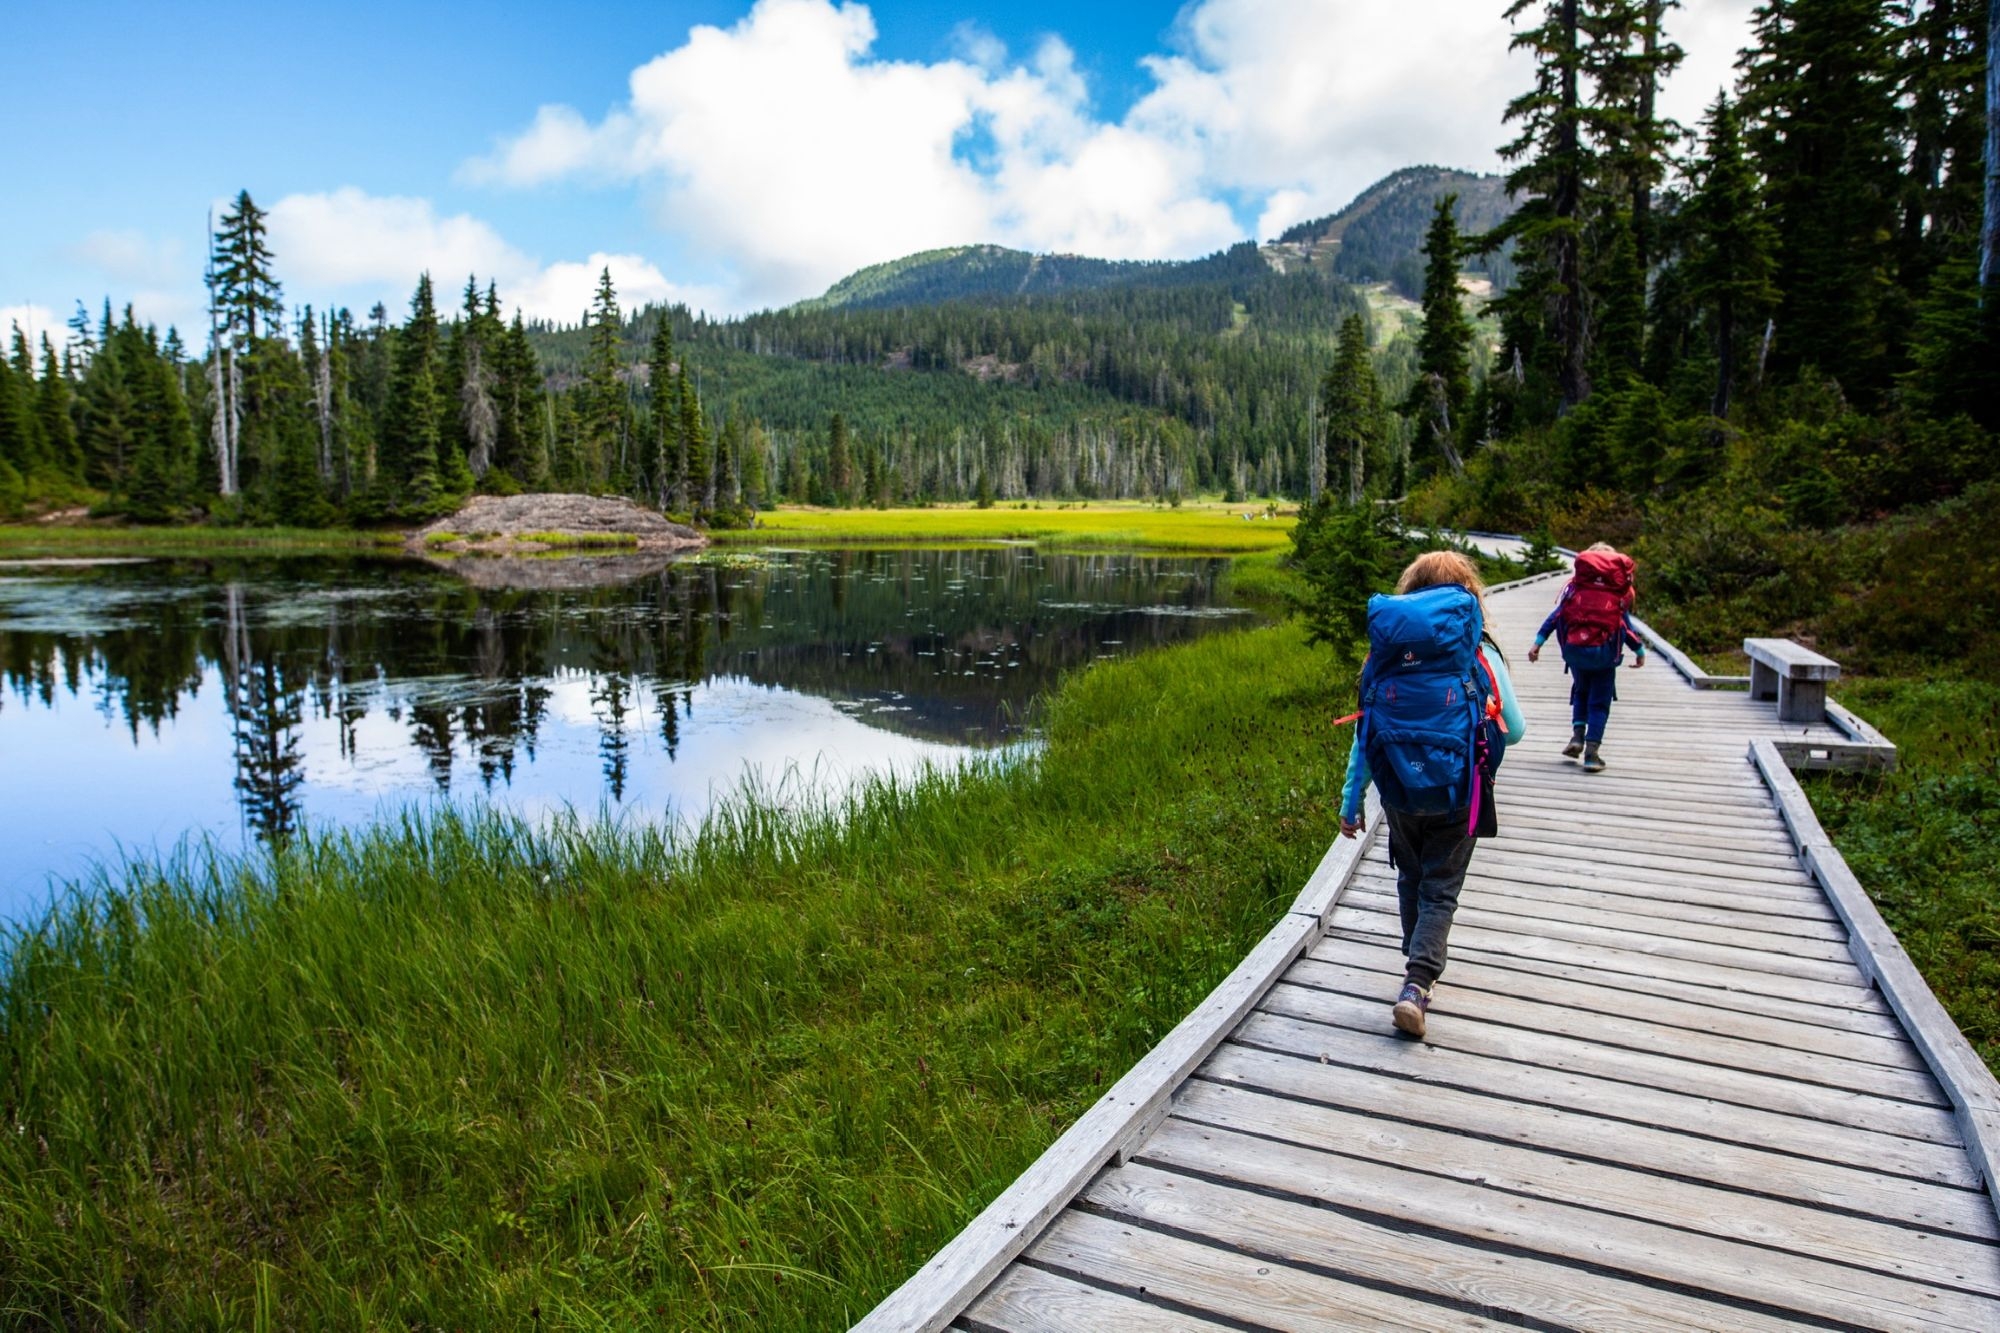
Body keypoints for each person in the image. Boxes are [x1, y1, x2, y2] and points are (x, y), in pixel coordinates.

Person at [1337, 551, 1524, 1038]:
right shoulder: (1480, 653)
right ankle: (1417, 983)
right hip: (1461, 791)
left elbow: (1364, 738)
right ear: (1468, 596)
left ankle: (1414, 961)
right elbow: (1517, 731)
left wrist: (1350, 803)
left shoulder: (1382, 658)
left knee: (1412, 877)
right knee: (1441, 887)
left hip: (1398, 792)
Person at [1527, 542, 1646, 773]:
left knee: (1580, 692)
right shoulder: (1616, 596)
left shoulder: (1574, 591)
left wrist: (1537, 644)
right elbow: (1625, 628)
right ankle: (1592, 753)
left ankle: (1577, 738)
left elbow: (1555, 617)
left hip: (1576, 654)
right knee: (1600, 703)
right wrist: (1639, 651)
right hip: (1604, 657)